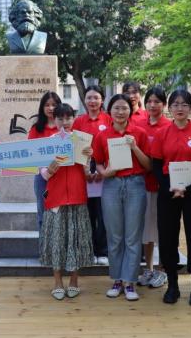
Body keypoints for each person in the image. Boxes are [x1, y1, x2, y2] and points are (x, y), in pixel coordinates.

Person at [151, 89, 191, 307]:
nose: (179, 108)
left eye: (184, 104)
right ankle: (173, 285)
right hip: (169, 191)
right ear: (169, 108)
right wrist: (170, 187)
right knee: (168, 238)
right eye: (175, 104)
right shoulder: (162, 133)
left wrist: (190, 187)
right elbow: (156, 164)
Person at [93, 94, 151, 301]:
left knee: (132, 237)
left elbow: (149, 165)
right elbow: (98, 162)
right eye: (116, 108)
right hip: (112, 185)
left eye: (124, 108)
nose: (120, 112)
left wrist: (134, 147)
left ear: (130, 110)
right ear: (109, 111)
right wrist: (105, 172)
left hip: (135, 184)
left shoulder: (139, 133)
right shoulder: (102, 136)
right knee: (115, 236)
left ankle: (130, 281)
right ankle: (117, 279)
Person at [39, 103, 93, 300]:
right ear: (54, 120)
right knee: (56, 241)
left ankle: (74, 281)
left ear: (73, 119)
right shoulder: (49, 142)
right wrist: (51, 169)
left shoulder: (82, 140)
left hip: (77, 196)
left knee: (75, 240)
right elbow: (43, 174)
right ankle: (57, 282)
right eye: (60, 118)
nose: (64, 122)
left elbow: (87, 175)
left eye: (68, 118)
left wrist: (87, 160)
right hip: (56, 198)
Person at [132, 86, 171, 290]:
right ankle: (148, 268)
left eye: (157, 101)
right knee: (146, 230)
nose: (153, 105)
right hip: (142, 184)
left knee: (163, 229)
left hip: (163, 186)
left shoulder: (169, 126)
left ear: (164, 104)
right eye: (149, 101)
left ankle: (162, 269)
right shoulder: (138, 125)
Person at [73, 85, 111, 266]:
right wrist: (85, 171)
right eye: (89, 97)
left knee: (103, 215)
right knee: (87, 215)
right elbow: (76, 149)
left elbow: (113, 147)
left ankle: (102, 251)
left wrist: (103, 171)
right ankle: (88, 250)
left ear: (102, 100)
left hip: (105, 171)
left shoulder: (109, 119)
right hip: (84, 172)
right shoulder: (79, 121)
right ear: (85, 100)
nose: (92, 101)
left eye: (96, 97)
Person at [28, 91, 62, 229]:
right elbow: (31, 153)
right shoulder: (36, 128)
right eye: (47, 105)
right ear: (42, 107)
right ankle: (44, 243)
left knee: (60, 214)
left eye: (54, 105)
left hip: (62, 176)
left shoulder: (65, 128)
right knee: (43, 213)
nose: (51, 108)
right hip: (42, 177)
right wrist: (43, 170)